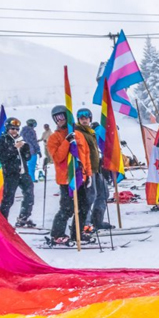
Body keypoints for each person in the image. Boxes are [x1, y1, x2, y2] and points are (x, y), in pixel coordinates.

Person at [47, 105, 93, 244]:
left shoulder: (78, 135)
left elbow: (86, 155)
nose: (59, 120)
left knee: (84, 206)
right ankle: (57, 234)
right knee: (67, 208)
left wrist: (88, 174)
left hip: (81, 177)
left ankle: (77, 233)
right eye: (56, 118)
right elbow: (58, 157)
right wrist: (67, 141)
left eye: (62, 117)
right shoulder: (54, 138)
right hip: (67, 179)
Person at [0, 117, 36, 227]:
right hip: (11, 174)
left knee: (29, 196)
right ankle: (1, 222)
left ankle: (23, 217)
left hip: (23, 173)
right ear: (7, 128)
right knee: (8, 199)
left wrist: (26, 148)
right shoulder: (2, 140)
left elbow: (27, 157)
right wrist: (14, 148)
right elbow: (3, 157)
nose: (15, 131)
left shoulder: (20, 139)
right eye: (12, 128)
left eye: (17, 129)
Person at [75, 108, 111, 230]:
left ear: (90, 119)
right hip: (87, 170)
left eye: (86, 118)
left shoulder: (91, 132)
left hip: (97, 168)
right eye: (81, 118)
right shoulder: (78, 133)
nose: (84, 120)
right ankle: (85, 223)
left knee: (104, 193)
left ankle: (97, 220)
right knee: (90, 197)